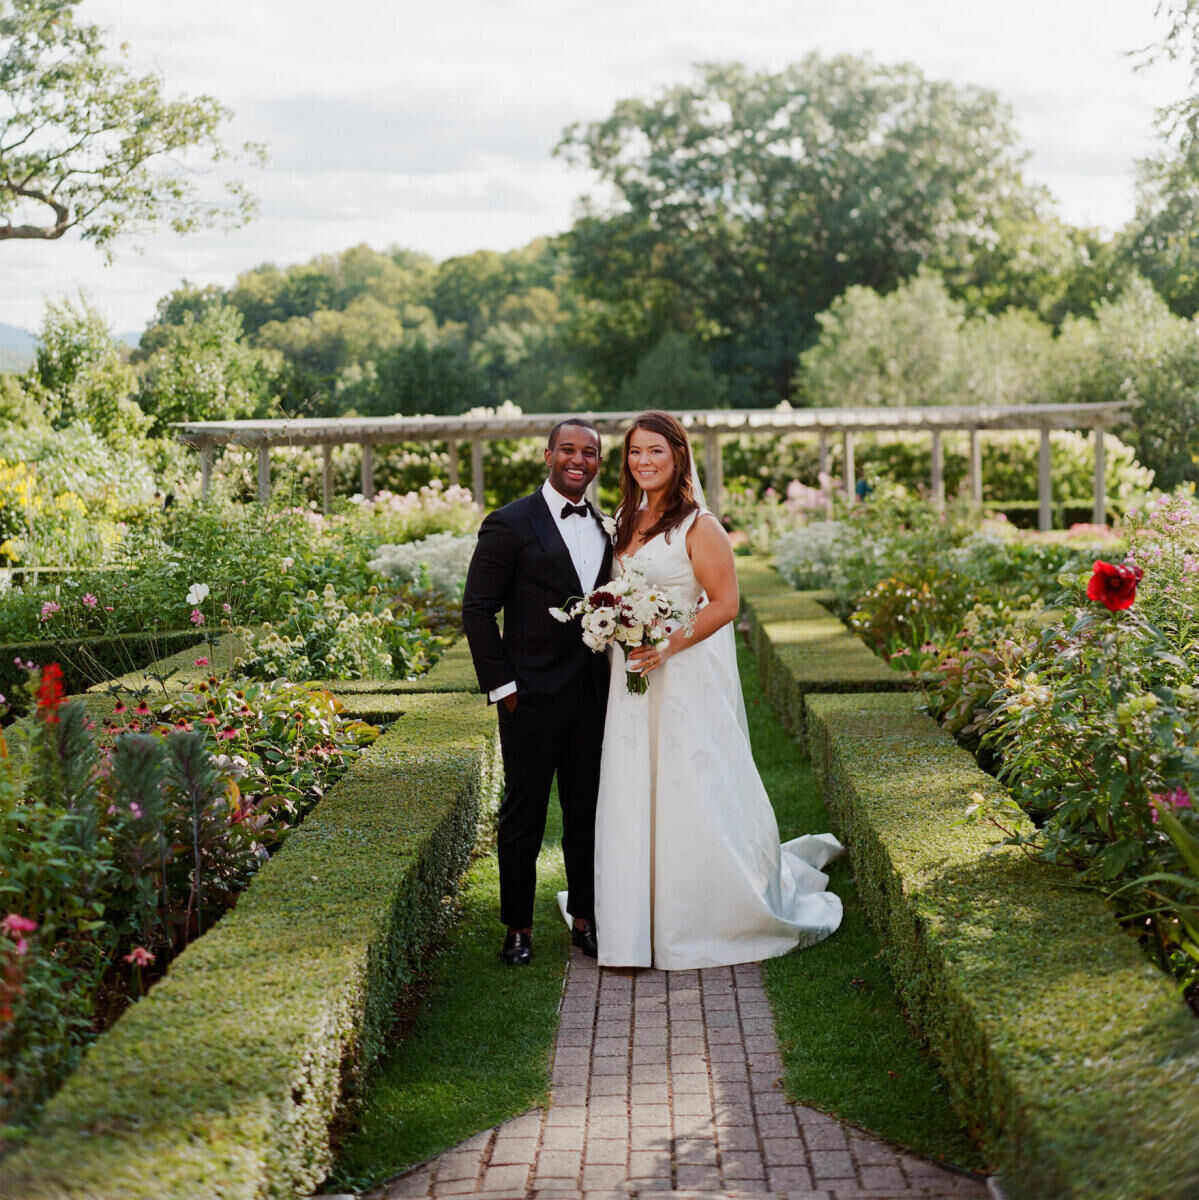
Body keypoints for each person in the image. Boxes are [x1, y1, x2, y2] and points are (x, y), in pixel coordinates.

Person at [589, 410, 843, 970]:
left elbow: (725, 604)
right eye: (634, 452)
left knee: (689, 782)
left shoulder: (699, 525)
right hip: (630, 674)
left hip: (679, 676)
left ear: (678, 454)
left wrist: (668, 645)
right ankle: (632, 918)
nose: (644, 461)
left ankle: (697, 913)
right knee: (634, 783)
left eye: (655, 450)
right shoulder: (625, 518)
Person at [462, 420, 613, 966]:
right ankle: (518, 927)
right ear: (548, 455)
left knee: (587, 813)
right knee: (523, 815)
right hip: (528, 699)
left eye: (590, 452)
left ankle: (587, 920)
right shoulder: (509, 523)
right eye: (569, 450)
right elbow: (478, 610)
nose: (579, 460)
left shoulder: (607, 526)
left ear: (598, 462)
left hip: (593, 699)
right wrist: (504, 689)